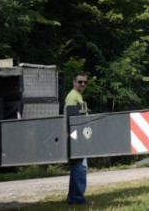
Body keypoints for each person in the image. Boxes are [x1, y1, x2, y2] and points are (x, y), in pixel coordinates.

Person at [66, 72, 91, 206]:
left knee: (77, 167)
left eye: (85, 82)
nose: (82, 84)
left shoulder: (78, 96)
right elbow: (72, 119)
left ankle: (72, 198)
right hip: (77, 137)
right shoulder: (72, 97)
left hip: (79, 135)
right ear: (74, 82)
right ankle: (78, 198)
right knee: (81, 168)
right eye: (80, 82)